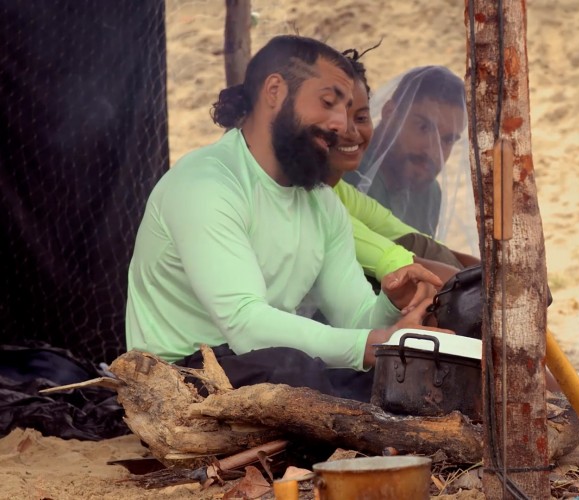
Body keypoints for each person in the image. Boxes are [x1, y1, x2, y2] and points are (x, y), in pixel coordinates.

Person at [125, 35, 444, 402]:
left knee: (395, 380)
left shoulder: (322, 203)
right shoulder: (205, 184)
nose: (340, 124)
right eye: (328, 102)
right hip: (178, 379)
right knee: (298, 370)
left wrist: (392, 303)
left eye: (346, 109)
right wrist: (371, 345)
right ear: (275, 91)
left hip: (266, 366)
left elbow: (356, 320)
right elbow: (246, 324)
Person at [325, 51, 477, 285]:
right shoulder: (342, 169)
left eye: (447, 140)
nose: (432, 150)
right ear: (390, 113)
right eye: (423, 128)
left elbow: (422, 250)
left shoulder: (429, 194)